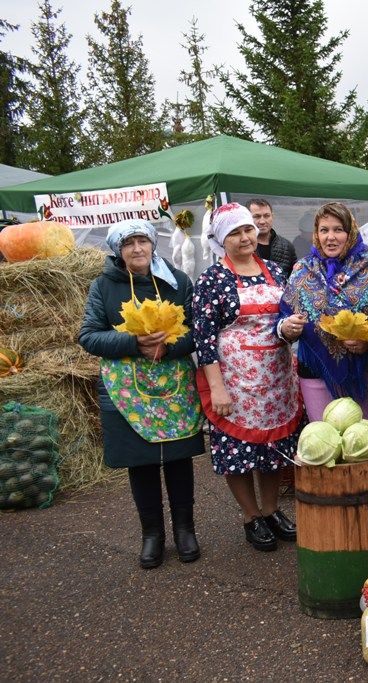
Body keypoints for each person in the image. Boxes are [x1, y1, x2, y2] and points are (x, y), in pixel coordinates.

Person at [79, 219, 205, 569]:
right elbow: (89, 336)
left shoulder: (178, 281)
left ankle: (185, 529)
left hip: (173, 383)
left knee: (178, 455)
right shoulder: (103, 286)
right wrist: (133, 342)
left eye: (143, 242)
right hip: (126, 387)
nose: (137, 249)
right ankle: (152, 534)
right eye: (129, 243)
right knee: (140, 459)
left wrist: (170, 347)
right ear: (118, 250)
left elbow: (197, 330)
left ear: (153, 245)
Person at [194, 203, 303, 552]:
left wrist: (290, 328)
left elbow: (284, 317)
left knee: (273, 449)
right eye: (235, 233)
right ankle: (250, 515)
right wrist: (217, 388)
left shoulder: (274, 270)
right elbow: (203, 336)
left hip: (276, 379)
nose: (244, 237)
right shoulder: (212, 279)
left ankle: (271, 511)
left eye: (247, 230)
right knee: (238, 452)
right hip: (234, 379)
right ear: (222, 239)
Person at [278, 202, 368, 425]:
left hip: (365, 372)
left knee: (364, 444)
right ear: (316, 233)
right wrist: (287, 328)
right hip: (316, 372)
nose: (331, 237)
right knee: (325, 441)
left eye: (338, 229)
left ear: (351, 232)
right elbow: (284, 315)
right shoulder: (302, 268)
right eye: (324, 230)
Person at [248, 198, 298, 276]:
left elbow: (294, 278)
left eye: (266, 216)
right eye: (257, 216)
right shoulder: (244, 246)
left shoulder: (286, 246)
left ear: (272, 216)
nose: (262, 221)